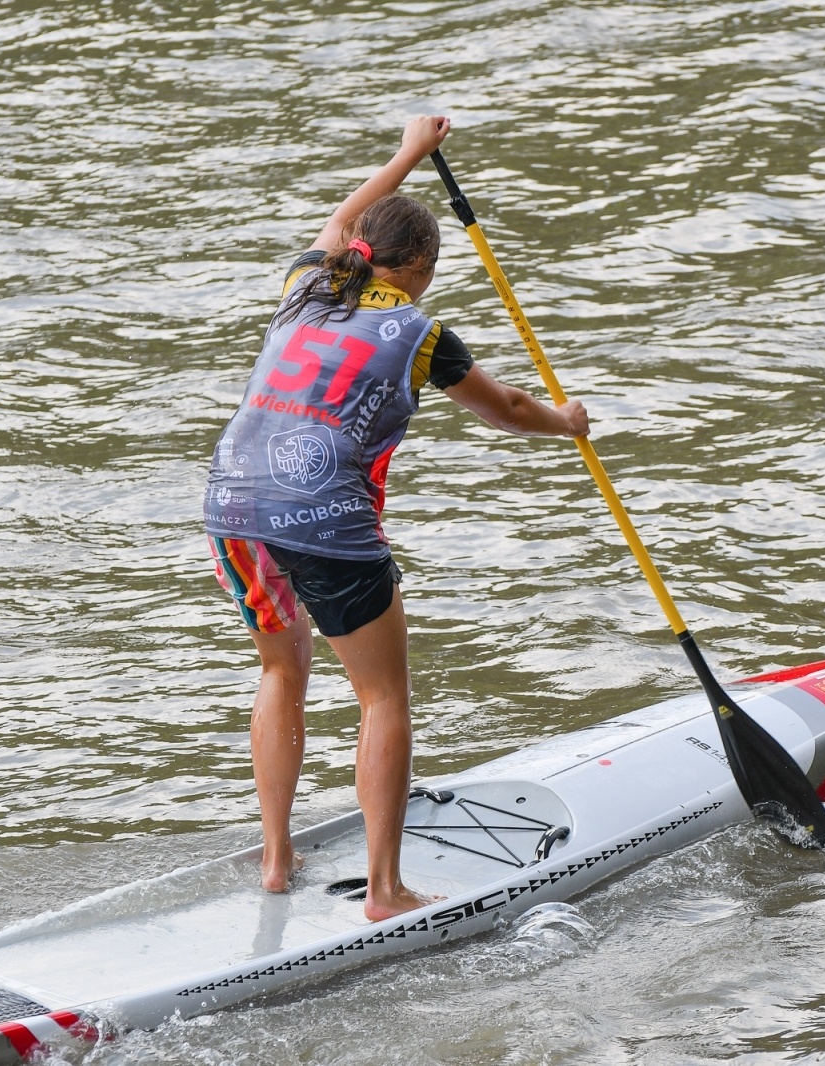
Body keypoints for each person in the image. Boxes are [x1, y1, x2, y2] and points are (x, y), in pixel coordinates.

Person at [202, 115, 589, 922]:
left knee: (281, 669)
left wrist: (407, 154)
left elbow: (344, 219)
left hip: (232, 504)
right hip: (325, 521)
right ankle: (385, 891)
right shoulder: (421, 332)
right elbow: (508, 409)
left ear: (354, 251)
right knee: (383, 697)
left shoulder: (306, 284)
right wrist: (567, 421)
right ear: (418, 269)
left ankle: (276, 860)